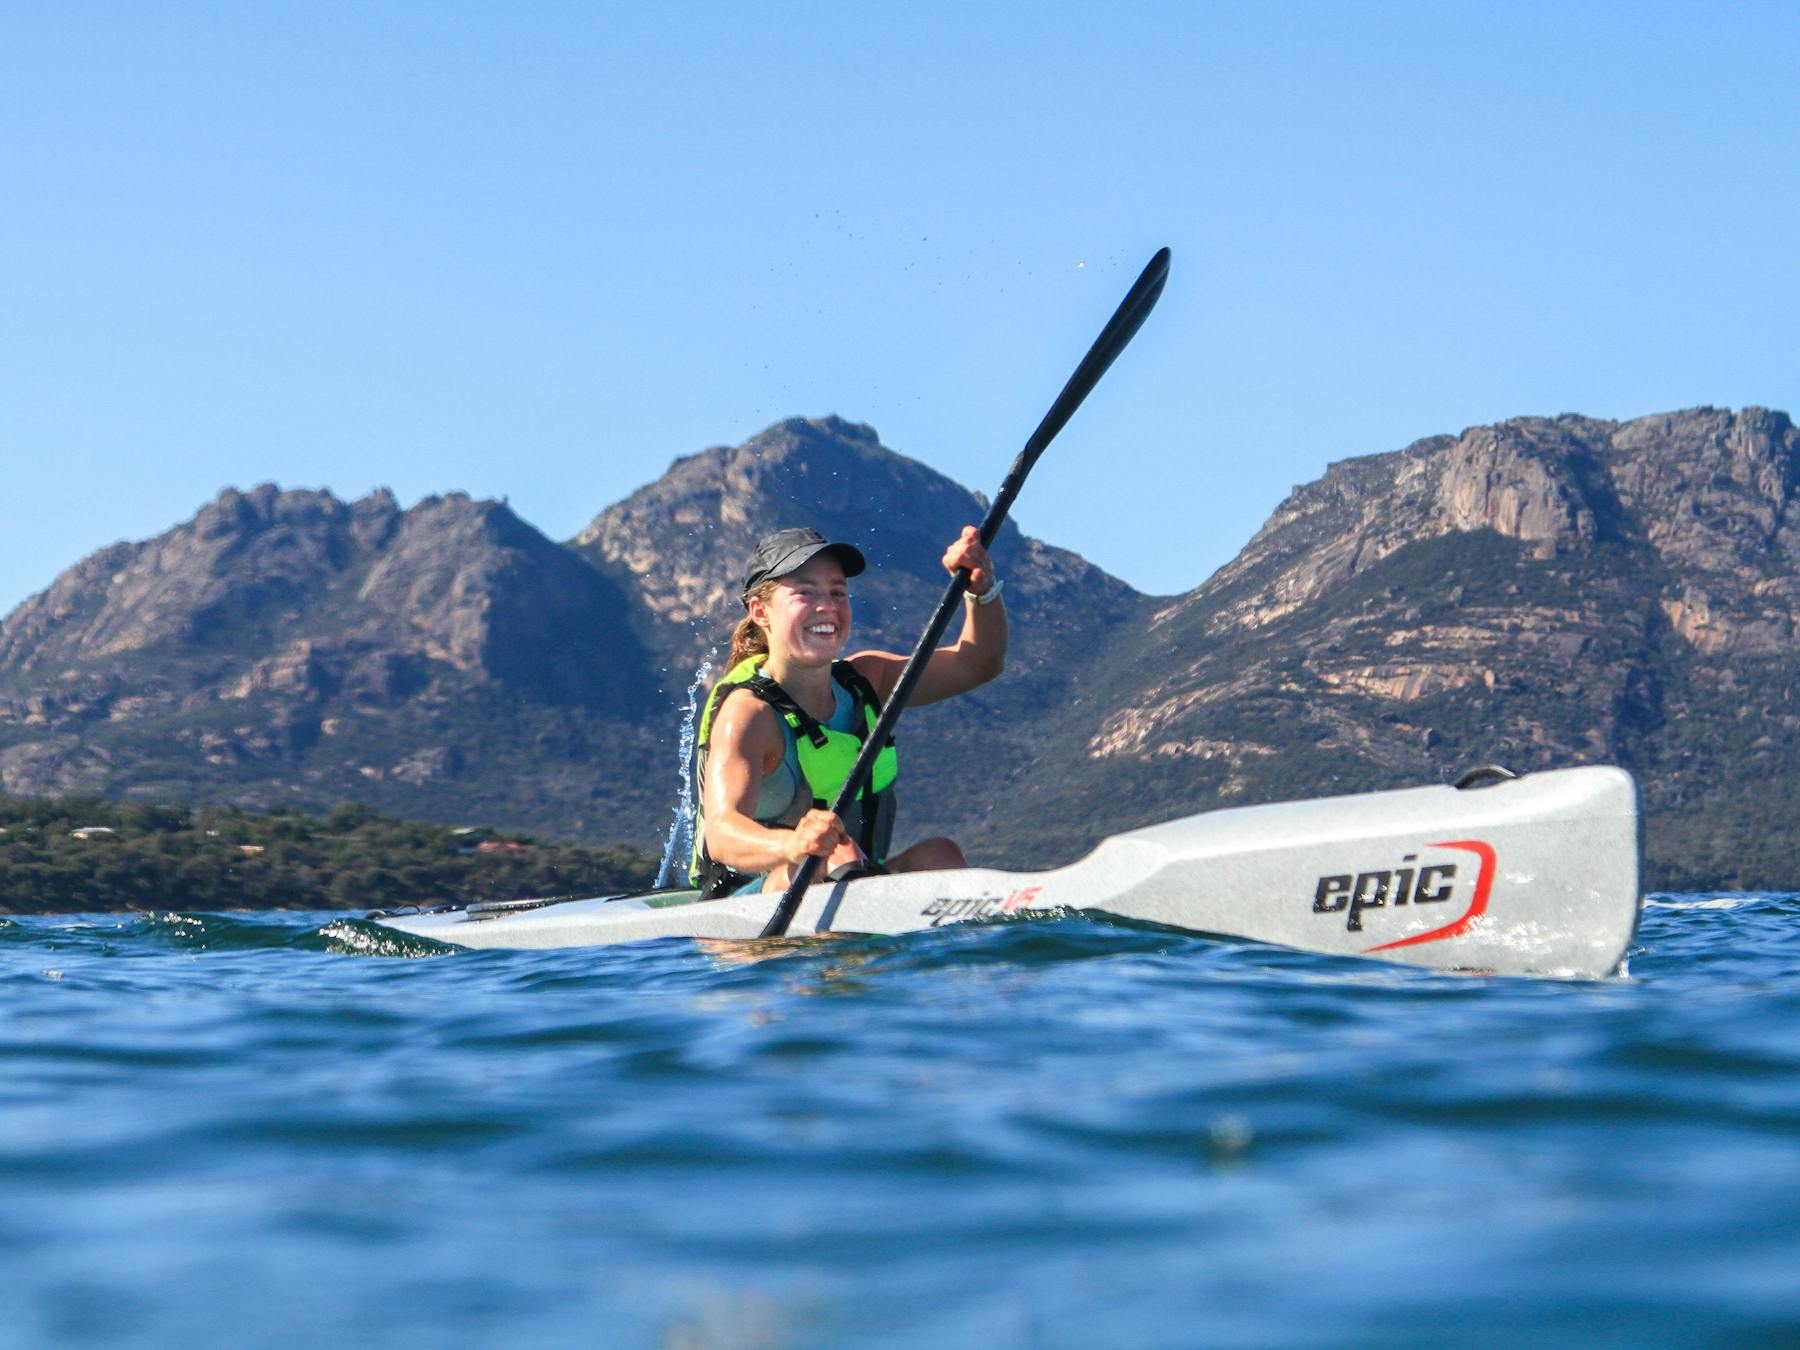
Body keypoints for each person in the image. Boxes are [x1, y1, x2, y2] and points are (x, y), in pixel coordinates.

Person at [689, 525, 1008, 898]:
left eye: (837, 592)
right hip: (751, 900)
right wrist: (794, 846)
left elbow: (977, 663)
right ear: (761, 612)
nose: (827, 606)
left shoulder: (868, 679)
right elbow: (723, 835)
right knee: (825, 857)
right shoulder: (747, 714)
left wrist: (981, 591)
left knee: (940, 854)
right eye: (805, 593)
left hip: (855, 881)